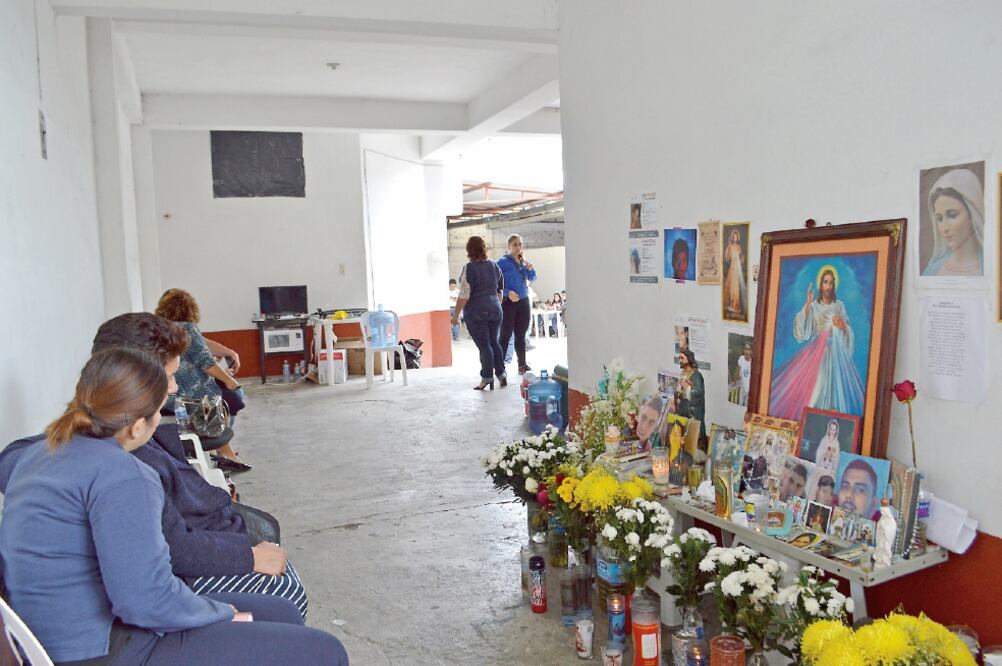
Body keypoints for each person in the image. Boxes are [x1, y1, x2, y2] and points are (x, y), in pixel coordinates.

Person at [0, 348, 347, 665]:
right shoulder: (124, 475)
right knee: (325, 652)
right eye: (157, 410)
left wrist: (212, 611)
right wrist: (221, 612)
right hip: (104, 648)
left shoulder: (38, 453)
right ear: (138, 425)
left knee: (282, 612)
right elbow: (144, 601)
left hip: (51, 637)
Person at [92, 313, 308, 615]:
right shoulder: (130, 466)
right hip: (193, 568)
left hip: (211, 536)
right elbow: (173, 547)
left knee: (270, 539)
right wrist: (247, 557)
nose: (174, 389)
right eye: (169, 377)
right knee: (289, 598)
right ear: (136, 380)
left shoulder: (132, 438)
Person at [155, 288, 249, 472]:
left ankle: (220, 450)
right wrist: (230, 381)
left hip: (168, 394)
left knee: (225, 396)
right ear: (190, 308)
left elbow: (202, 344)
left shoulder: (162, 329)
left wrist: (230, 353)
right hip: (192, 395)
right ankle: (223, 450)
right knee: (232, 397)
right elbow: (206, 363)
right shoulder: (188, 329)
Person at [769, 267, 865, 421]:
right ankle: (811, 422)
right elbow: (803, 333)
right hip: (817, 355)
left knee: (834, 391)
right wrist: (808, 304)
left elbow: (848, 331)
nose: (828, 286)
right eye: (826, 282)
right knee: (816, 388)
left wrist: (843, 326)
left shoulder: (839, 306)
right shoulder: (814, 306)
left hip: (835, 356)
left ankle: (828, 423)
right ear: (821, 285)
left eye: (831, 283)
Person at [452, 235, 506, 390]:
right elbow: (500, 290)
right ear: (484, 248)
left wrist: (455, 316)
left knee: (484, 345)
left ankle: (487, 377)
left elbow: (464, 295)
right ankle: (501, 374)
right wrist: (496, 305)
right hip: (495, 309)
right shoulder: (494, 265)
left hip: (476, 311)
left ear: (469, 250)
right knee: (494, 343)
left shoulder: (469, 269)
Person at [921, 168, 985, 276]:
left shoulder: (993, 267)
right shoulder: (932, 270)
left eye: (952, 215)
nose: (944, 228)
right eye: (939, 219)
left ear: (972, 215)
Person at [497, 234, 537, 374]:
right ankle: (500, 367)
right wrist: (507, 292)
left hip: (523, 301)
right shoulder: (502, 262)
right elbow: (495, 283)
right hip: (508, 302)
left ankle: (522, 365)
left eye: (520, 244)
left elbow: (533, 278)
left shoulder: (523, 261)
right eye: (515, 244)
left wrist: (530, 269)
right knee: (505, 334)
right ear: (509, 246)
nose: (518, 247)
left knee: (521, 335)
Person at [676, 349, 706, 446]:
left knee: (694, 439)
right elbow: (680, 391)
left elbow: (699, 392)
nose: (680, 360)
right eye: (679, 358)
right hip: (683, 410)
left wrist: (687, 389)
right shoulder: (683, 374)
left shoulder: (696, 375)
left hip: (693, 412)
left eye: (682, 358)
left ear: (689, 359)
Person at [723, 228, 746, 318]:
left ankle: (735, 305)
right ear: (732, 238)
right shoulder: (730, 246)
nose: (735, 238)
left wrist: (741, 258)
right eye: (734, 237)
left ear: (737, 238)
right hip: (732, 268)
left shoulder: (739, 247)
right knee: (730, 287)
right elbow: (727, 258)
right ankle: (730, 304)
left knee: (736, 287)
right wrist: (728, 247)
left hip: (738, 269)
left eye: (736, 237)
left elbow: (741, 258)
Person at [736, 342, 752, 406]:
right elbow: (737, 369)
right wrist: (735, 381)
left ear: (751, 351)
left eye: (749, 349)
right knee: (740, 403)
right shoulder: (741, 358)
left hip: (749, 390)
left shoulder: (753, 361)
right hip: (742, 387)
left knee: (746, 405)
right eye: (745, 349)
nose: (747, 351)